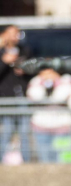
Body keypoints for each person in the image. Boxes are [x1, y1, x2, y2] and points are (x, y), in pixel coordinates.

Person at [26, 68, 71, 162]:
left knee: (63, 157)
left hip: (62, 126)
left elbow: (61, 97)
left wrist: (56, 82)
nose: (48, 74)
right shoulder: (36, 81)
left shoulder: (66, 80)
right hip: (41, 126)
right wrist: (43, 83)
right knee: (45, 158)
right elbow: (36, 97)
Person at [0, 25, 31, 162]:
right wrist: (4, 62)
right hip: (5, 98)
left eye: (17, 33)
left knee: (25, 133)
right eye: (11, 33)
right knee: (6, 132)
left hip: (22, 97)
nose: (15, 36)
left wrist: (24, 68)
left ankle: (27, 161)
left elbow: (32, 71)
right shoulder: (1, 52)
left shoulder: (25, 50)